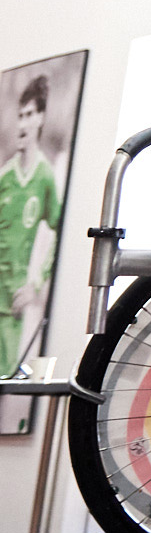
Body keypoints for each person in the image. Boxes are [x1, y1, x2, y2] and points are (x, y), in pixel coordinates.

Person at [0, 75, 63, 379]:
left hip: (11, 304)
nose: (22, 123)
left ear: (40, 118)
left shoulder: (45, 177)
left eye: (28, 115)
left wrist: (36, 284)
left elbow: (58, 231)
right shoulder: (5, 176)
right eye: (20, 116)